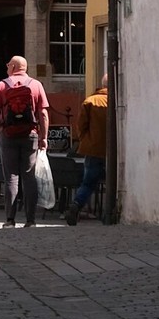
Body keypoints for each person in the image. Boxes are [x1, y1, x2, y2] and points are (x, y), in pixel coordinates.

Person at [0, 55, 49, 228]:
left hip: (8, 135)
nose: (7, 67)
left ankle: (10, 220)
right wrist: (43, 137)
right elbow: (43, 114)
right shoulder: (36, 85)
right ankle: (31, 220)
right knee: (29, 177)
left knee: (11, 177)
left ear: (14, 67)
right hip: (30, 135)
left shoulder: (2, 85)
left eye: (8, 65)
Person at [65, 75, 108, 225]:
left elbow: (81, 125)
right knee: (115, 183)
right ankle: (108, 212)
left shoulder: (90, 101)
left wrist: (85, 139)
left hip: (92, 149)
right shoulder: (116, 101)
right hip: (113, 149)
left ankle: (77, 204)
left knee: (88, 182)